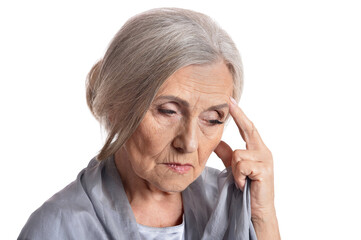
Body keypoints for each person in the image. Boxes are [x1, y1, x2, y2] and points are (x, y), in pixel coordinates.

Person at [19, 8, 280, 240]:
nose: (189, 143)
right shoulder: (57, 227)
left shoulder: (234, 205)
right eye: (168, 111)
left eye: (212, 119)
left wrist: (262, 216)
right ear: (115, 108)